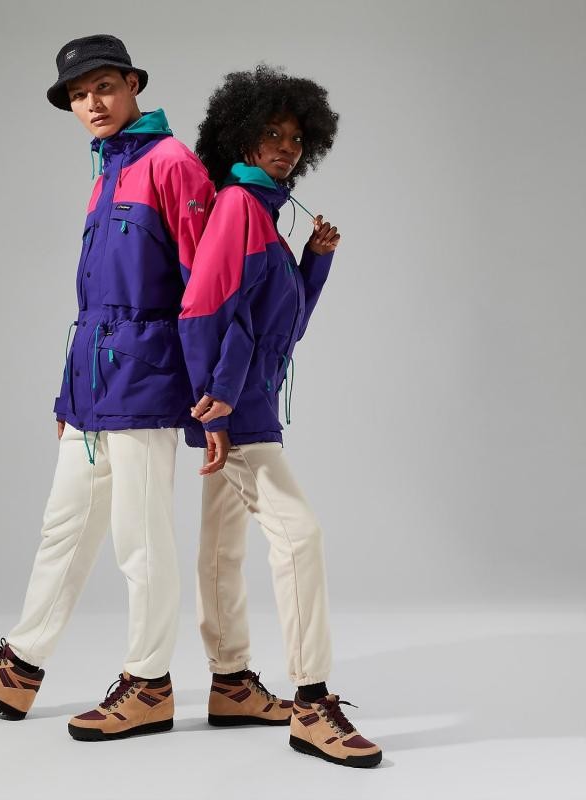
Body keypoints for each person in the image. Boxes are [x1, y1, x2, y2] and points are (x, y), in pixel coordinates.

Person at [0, 34, 215, 742]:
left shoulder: (172, 163)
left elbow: (205, 286)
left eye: (104, 87)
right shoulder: (108, 169)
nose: (93, 103)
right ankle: (20, 668)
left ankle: (149, 684)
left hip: (147, 380)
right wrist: (70, 395)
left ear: (133, 85)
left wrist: (212, 394)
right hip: (94, 385)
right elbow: (94, 300)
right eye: (79, 95)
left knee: (140, 542)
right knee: (63, 526)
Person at [178, 64, 382, 767]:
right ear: (242, 138)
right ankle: (312, 702)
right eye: (272, 134)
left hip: (244, 399)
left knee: (222, 546)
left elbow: (282, 329)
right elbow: (203, 308)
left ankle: (231, 682)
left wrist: (314, 262)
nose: (286, 148)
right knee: (299, 537)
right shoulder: (240, 205)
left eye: (296, 139)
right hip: (236, 408)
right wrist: (215, 404)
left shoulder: (265, 215)